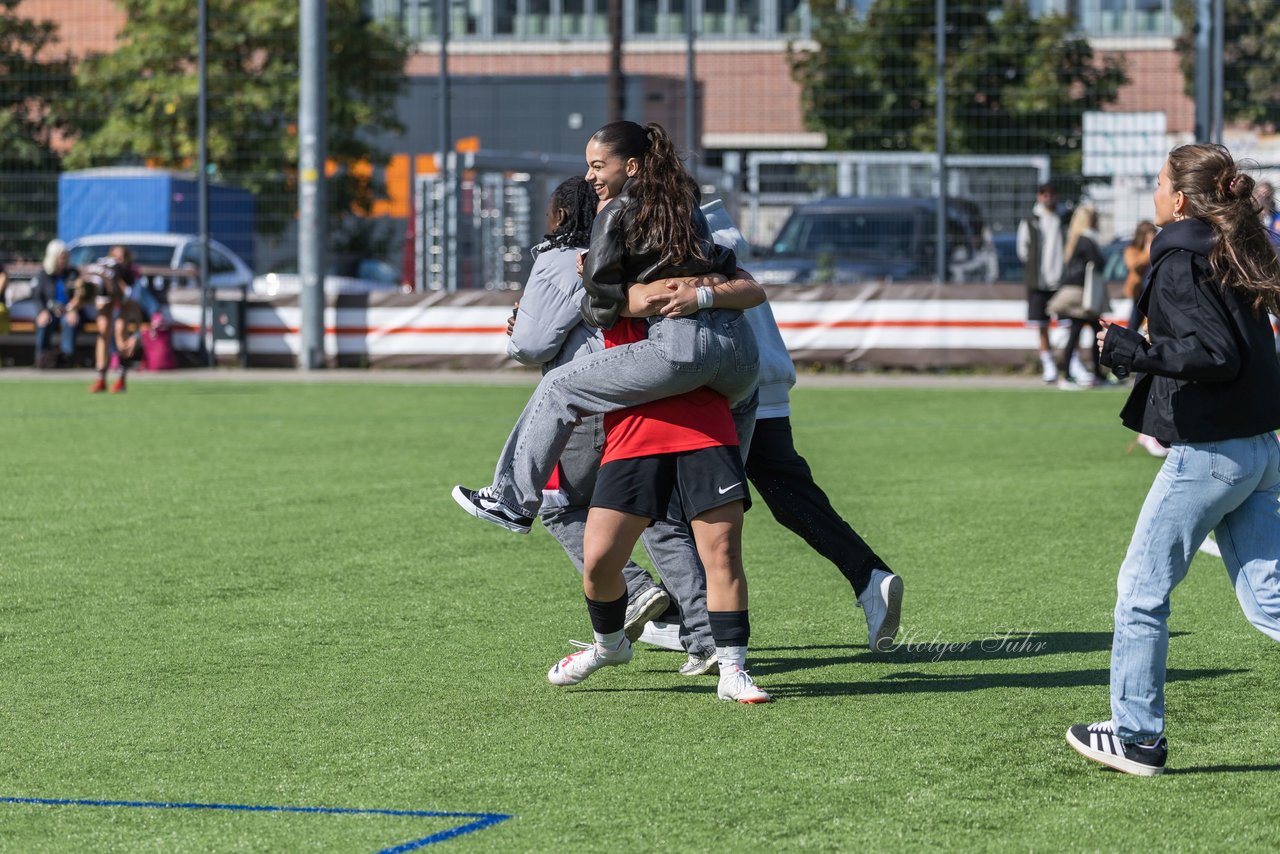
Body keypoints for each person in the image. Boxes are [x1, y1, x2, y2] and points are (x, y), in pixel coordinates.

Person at [1066, 143, 1280, 776]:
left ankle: (1136, 738)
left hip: (1210, 455)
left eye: (1159, 183)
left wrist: (1137, 352)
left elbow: (1215, 356)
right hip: (1258, 450)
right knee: (1269, 602)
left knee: (1140, 592)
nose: (1153, 193)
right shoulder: (1228, 247)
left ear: (1180, 198)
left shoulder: (1185, 257)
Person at [451, 120, 761, 534]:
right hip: (740, 356)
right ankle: (720, 497)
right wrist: (703, 290)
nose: (589, 177)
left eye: (598, 166)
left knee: (558, 387)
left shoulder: (615, 211)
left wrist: (590, 282)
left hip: (681, 350)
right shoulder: (686, 203)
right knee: (709, 517)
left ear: (631, 166)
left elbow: (604, 308)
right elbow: (743, 283)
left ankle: (510, 499)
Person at [506, 175, 718, 675]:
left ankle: (636, 591)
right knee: (662, 519)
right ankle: (706, 636)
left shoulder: (561, 259)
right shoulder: (637, 248)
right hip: (642, 393)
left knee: (560, 507)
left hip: (588, 403)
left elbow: (532, 344)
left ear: (559, 216)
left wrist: (518, 327)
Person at [703, 200, 903, 650]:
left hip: (726, 388)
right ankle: (869, 575)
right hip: (766, 378)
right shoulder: (717, 229)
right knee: (789, 496)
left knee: (692, 508)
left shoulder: (680, 231)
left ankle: (693, 624)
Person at [1053, 204, 1108, 389]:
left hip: (1076, 292)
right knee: (1091, 332)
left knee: (1078, 333)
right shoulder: (1087, 239)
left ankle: (1073, 374)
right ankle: (1081, 375)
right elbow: (1099, 262)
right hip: (1082, 294)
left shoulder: (1075, 239)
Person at [1016, 183, 1065, 383]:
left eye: (1051, 194)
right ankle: (1049, 365)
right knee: (1041, 325)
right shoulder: (1031, 221)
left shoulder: (1064, 218)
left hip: (1062, 282)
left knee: (1068, 325)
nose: (1048, 198)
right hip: (1039, 282)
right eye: (1044, 194)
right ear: (1039, 196)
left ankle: (1071, 361)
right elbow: (1023, 251)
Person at [84, 248, 142, 393]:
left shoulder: (127, 281)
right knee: (103, 333)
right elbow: (79, 298)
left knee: (120, 333)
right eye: (115, 257)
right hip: (109, 302)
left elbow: (135, 311)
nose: (118, 260)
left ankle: (121, 380)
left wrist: (136, 335)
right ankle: (101, 378)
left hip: (123, 304)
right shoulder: (101, 281)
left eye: (122, 257)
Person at [31, 240, 85, 369]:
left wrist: (73, 309)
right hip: (50, 311)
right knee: (44, 322)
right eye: (62, 257)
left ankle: (67, 360)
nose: (65, 260)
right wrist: (42, 311)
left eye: (66, 256)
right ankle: (41, 359)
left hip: (69, 311)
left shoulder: (73, 273)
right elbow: (37, 296)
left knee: (69, 322)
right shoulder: (43, 275)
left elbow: (80, 295)